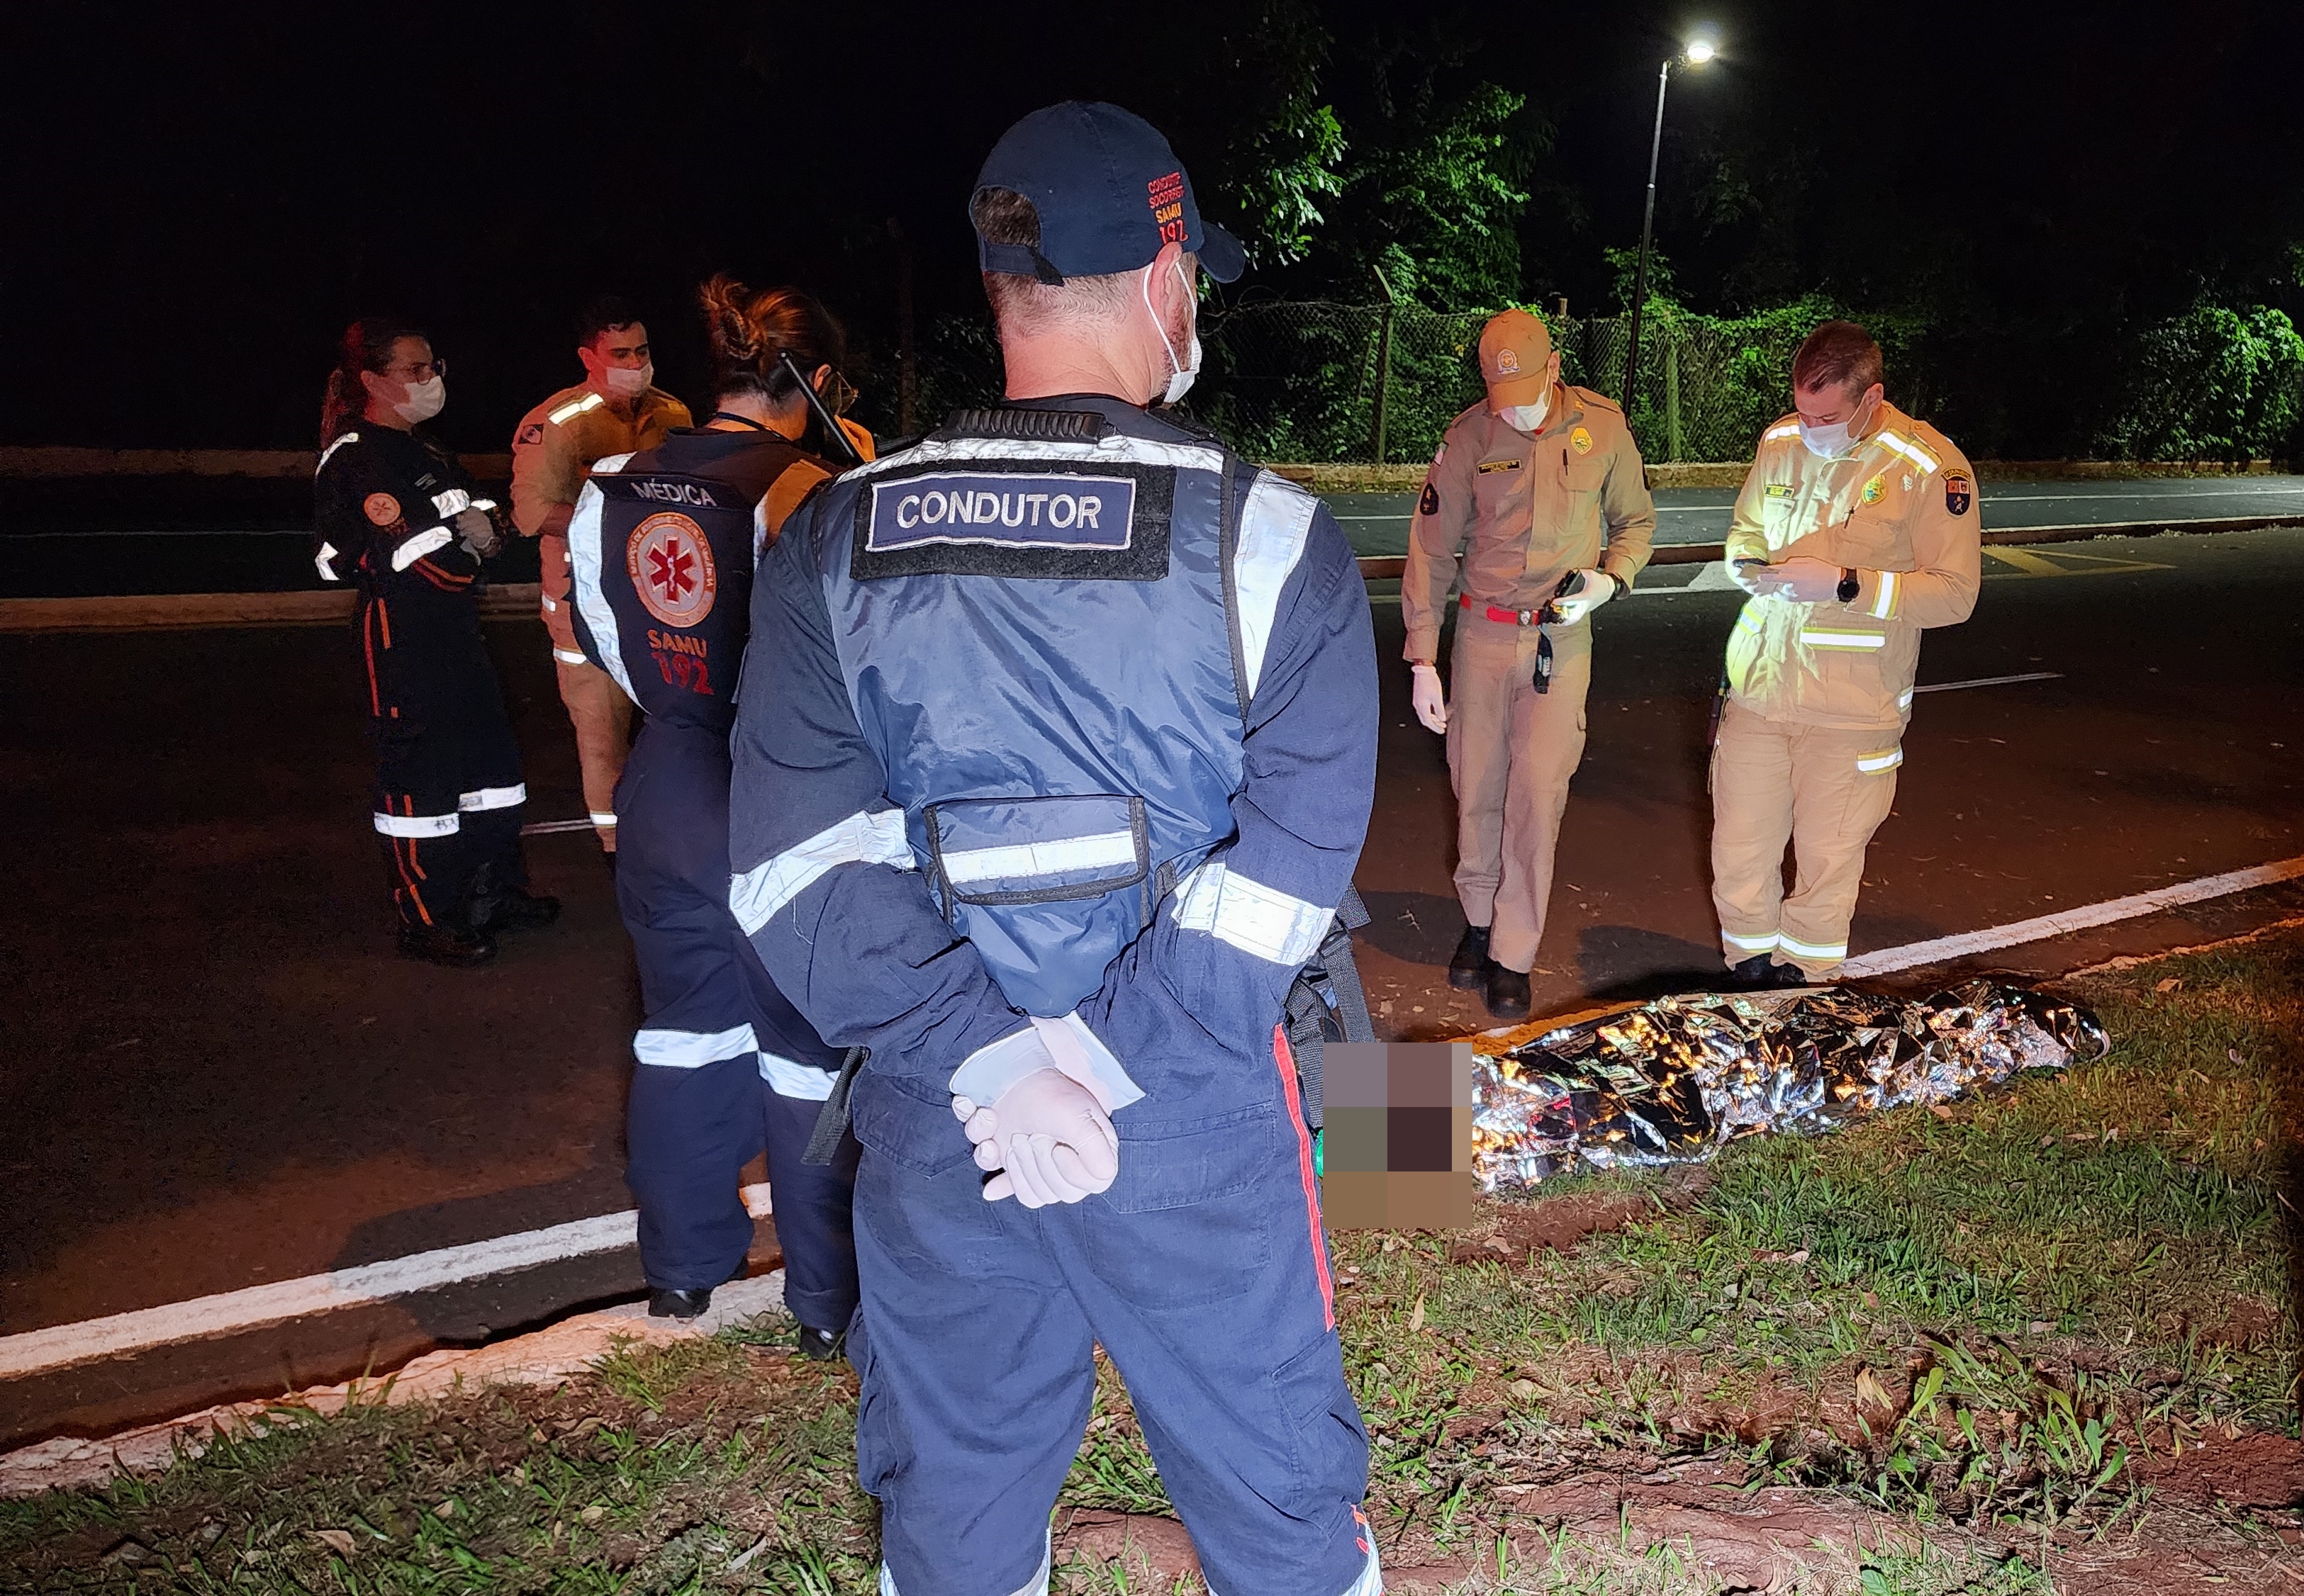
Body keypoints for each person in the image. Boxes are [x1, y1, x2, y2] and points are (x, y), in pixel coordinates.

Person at [727, 103, 1381, 1596]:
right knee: (1275, 1488)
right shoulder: (1267, 538)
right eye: (1193, 273)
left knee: (951, 1509)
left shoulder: (833, 537)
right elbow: (1286, 870)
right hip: (1194, 1107)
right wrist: (1089, 1063)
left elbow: (787, 869)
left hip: (945, 1124)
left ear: (999, 289)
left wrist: (996, 1065)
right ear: (1164, 276)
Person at [569, 277, 871, 1355]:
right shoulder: (814, 494)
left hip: (668, 780)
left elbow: (603, 640)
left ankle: (684, 1278)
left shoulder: (613, 480)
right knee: (811, 1056)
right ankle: (828, 1304)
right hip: (782, 797)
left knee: (684, 1037)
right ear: (819, 382)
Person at [1401, 310, 1654, 1020]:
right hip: (1481, 637)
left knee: (1536, 797)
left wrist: (1611, 578)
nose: (1507, 406)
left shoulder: (1601, 427)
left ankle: (1512, 950)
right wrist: (1423, 658)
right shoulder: (1469, 436)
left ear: (1553, 365)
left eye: (1520, 388)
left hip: (1559, 642)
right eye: (1495, 392)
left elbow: (1636, 522)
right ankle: (1477, 919)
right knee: (1474, 787)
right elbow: (1429, 547)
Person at [1711, 321, 1981, 982]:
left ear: (1871, 397)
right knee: (1739, 854)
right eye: (1802, 410)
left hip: (1853, 708)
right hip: (1759, 690)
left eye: (1825, 416)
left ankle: (1803, 998)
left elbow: (1955, 595)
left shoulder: (1927, 466)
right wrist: (1744, 561)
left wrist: (1846, 584)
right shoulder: (1779, 441)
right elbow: (1745, 528)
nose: (1808, 427)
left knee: (1827, 868)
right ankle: (1747, 984)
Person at [313, 319, 559, 966]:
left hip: (456, 633)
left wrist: (479, 537)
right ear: (372, 381)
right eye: (415, 370)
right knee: (420, 776)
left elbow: (492, 531)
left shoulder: (427, 454)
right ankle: (425, 916)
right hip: (403, 636)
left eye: (434, 366)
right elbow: (431, 563)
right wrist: (469, 543)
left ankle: (492, 892)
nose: (432, 380)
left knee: (490, 768)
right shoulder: (358, 458)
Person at [510, 298, 693, 858]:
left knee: (678, 729)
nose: (634, 362)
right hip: (582, 607)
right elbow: (530, 513)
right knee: (601, 737)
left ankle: (677, 839)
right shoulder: (558, 423)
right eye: (619, 353)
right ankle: (617, 850)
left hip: (663, 600)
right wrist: (621, 516)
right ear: (588, 357)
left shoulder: (675, 415)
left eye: (641, 351)